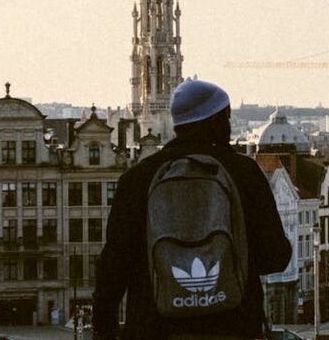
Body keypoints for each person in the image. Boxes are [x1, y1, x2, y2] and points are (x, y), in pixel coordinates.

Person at [93, 79, 292, 340]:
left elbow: (113, 267)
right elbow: (275, 257)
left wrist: (105, 328)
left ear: (178, 125)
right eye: (227, 118)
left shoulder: (138, 178)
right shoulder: (244, 173)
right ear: (216, 122)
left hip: (153, 328)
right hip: (232, 326)